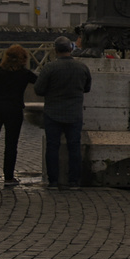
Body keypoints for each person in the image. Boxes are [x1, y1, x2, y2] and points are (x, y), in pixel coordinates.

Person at [34, 37, 91, 189]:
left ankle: (53, 181)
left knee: (52, 147)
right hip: (74, 113)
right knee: (74, 147)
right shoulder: (82, 67)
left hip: (53, 112)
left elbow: (38, 90)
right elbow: (87, 88)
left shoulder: (49, 68)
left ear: (56, 50)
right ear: (70, 49)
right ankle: (74, 181)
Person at [0, 44, 38, 185]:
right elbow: (39, 82)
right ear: (23, 59)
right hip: (13, 109)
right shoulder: (24, 74)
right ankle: (8, 177)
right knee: (11, 144)